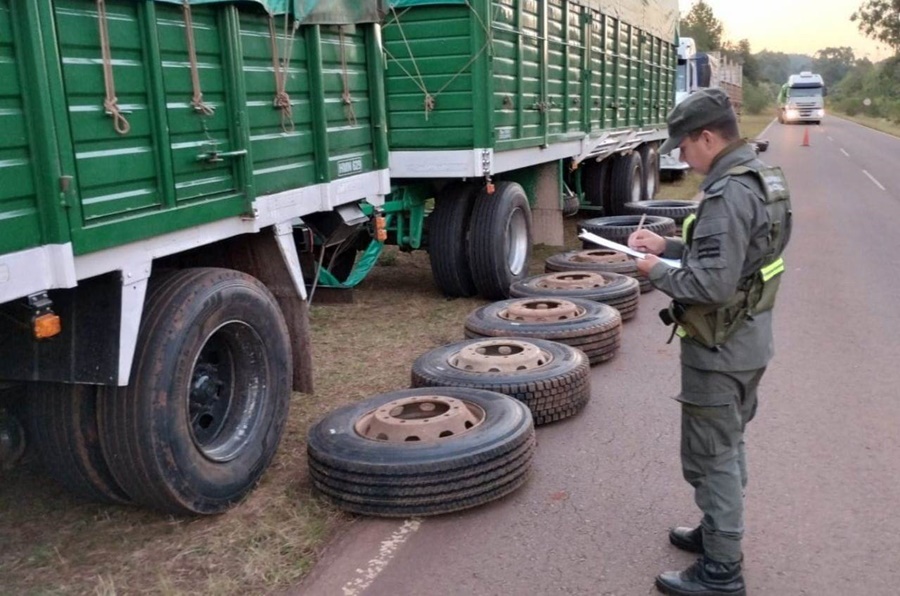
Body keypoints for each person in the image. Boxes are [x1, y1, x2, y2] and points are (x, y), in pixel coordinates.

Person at [628, 88, 792, 596]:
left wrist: (655, 270)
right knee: (729, 442)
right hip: (748, 340)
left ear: (706, 137)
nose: (682, 157)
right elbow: (737, 255)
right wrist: (669, 245)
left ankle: (722, 569)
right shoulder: (761, 178)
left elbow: (712, 285)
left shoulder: (726, 194)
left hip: (720, 349)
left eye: (683, 146)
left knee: (710, 456)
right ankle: (716, 530)